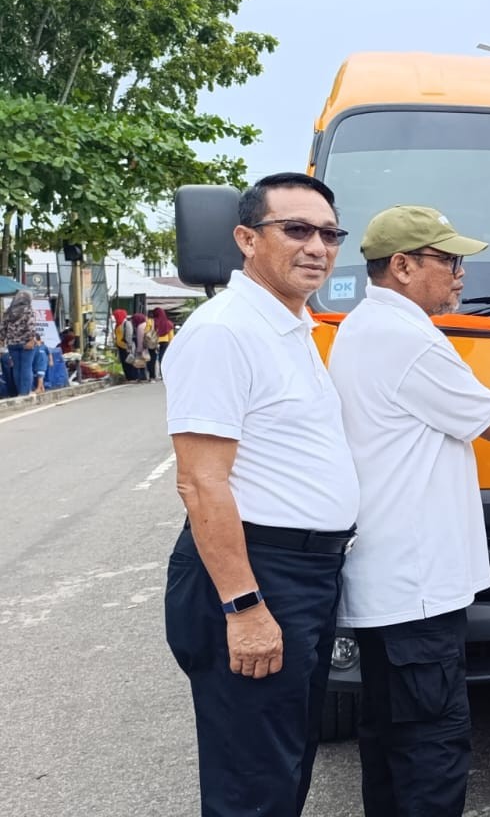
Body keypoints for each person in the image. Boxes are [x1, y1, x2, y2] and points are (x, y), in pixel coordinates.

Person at [328, 206, 490, 816]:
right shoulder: (410, 339)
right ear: (401, 266)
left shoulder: (362, 326)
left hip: (389, 582)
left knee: (390, 737)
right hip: (416, 589)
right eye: (448, 261)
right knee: (433, 743)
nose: (460, 274)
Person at [163, 172, 361, 817]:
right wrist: (244, 608)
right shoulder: (225, 332)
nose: (318, 247)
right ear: (247, 238)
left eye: (330, 233)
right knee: (253, 782)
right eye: (296, 230)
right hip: (258, 574)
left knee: (284, 761)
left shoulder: (291, 326)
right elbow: (200, 480)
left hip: (302, 571)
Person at [4, 289, 33, 398]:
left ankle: (19, 391)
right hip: (25, 342)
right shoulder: (28, 309)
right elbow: (31, 325)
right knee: (26, 367)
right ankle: (25, 392)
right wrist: (31, 339)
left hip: (12, 343)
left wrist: (2, 339)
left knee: (16, 368)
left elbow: (3, 326)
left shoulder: (9, 310)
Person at [124, 311, 153, 382]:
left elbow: (140, 339)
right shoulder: (146, 324)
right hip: (149, 346)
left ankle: (142, 377)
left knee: (141, 363)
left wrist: (139, 349)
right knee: (147, 362)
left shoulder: (140, 327)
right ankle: (147, 377)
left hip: (142, 348)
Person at [151, 307, 176, 379]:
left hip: (154, 342)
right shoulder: (168, 323)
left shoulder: (153, 322)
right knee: (163, 358)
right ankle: (164, 374)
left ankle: (153, 375)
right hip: (165, 342)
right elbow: (171, 336)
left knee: (153, 359)